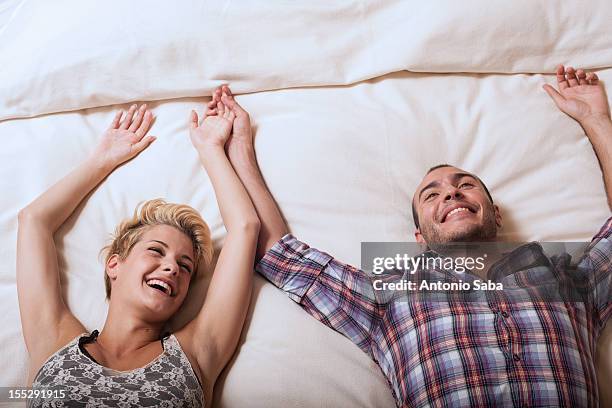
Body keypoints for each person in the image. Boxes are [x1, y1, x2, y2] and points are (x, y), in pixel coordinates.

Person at [214, 64, 611, 407]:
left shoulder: (563, 278)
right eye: (432, 194)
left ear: (495, 214)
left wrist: (595, 119)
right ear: (419, 235)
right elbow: (279, 254)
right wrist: (240, 149)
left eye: (465, 185)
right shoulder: (393, 293)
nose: (451, 192)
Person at [17, 101, 260, 407]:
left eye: (185, 267)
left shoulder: (197, 352)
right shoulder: (51, 339)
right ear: (114, 264)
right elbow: (34, 221)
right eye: (156, 251)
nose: (172, 267)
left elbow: (245, 227)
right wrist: (101, 161)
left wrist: (210, 148)